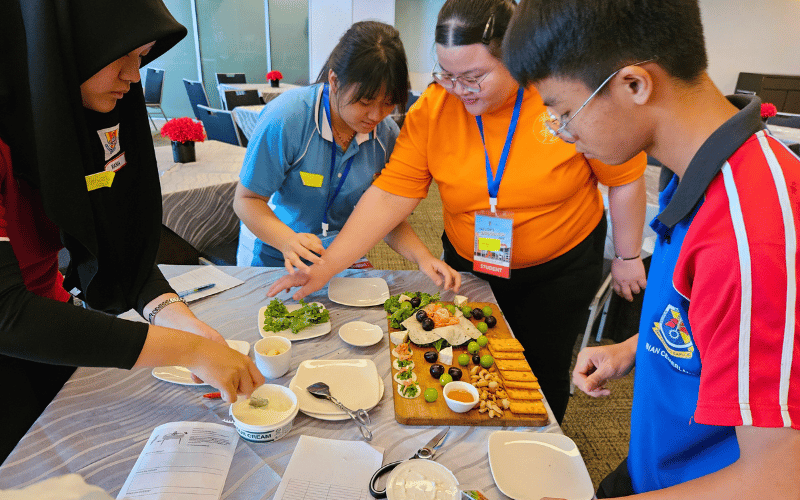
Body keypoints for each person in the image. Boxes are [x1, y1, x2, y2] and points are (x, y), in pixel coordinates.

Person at [268, 0, 648, 424]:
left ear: (516, 60)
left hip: (558, 266)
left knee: (541, 370)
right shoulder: (435, 108)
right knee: (462, 355)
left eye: (473, 77)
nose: (459, 88)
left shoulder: (558, 95)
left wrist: (629, 256)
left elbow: (624, 177)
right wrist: (325, 267)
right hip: (471, 262)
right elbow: (389, 196)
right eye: (447, 74)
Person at [503, 0, 800, 497]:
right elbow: (712, 322)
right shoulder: (694, 166)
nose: (564, 134)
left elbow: (775, 480)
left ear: (634, 84)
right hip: (658, 463)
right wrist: (635, 348)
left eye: (562, 112)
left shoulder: (749, 235)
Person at [0, 0, 263, 463]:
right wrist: (186, 350)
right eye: (122, 55)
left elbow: (122, 248)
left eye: (141, 57)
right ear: (67, 49)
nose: (135, 76)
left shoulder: (72, 114)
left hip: (52, 324)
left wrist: (180, 319)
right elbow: (8, 315)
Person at [234, 21, 460, 288]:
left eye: (388, 103)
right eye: (365, 102)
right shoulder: (287, 119)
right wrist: (287, 240)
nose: (376, 115)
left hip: (344, 259)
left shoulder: (385, 135)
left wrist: (423, 258)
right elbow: (247, 201)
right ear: (334, 80)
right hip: (277, 256)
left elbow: (386, 215)